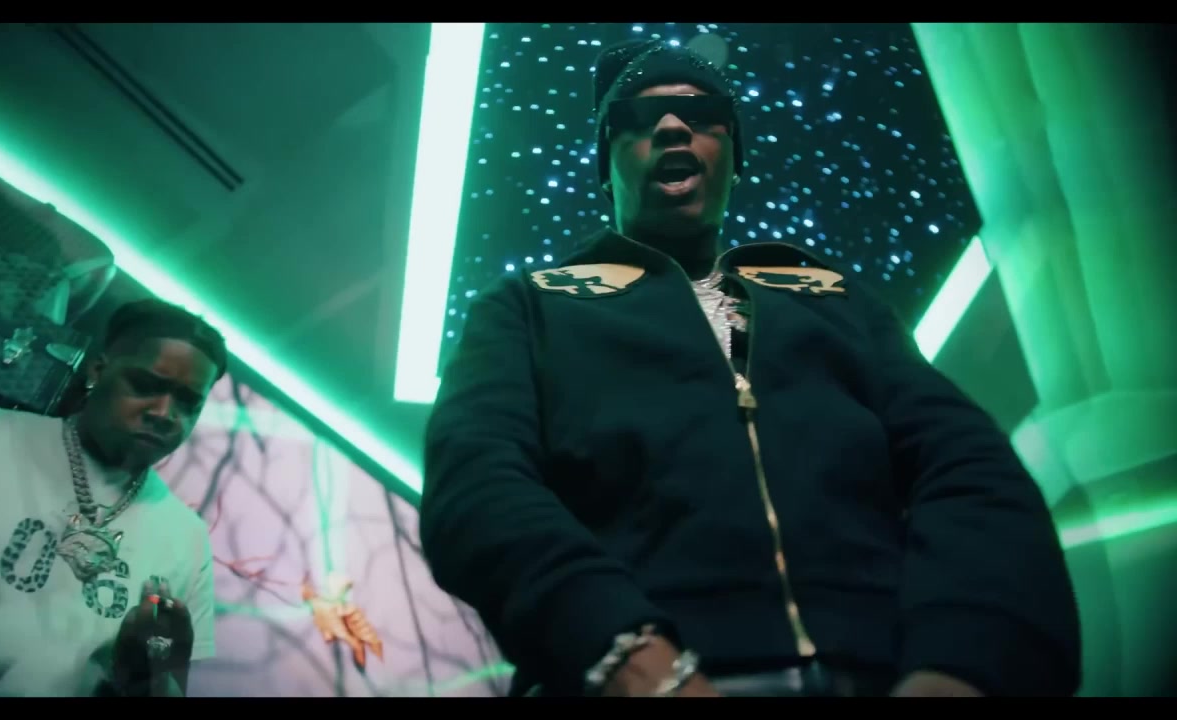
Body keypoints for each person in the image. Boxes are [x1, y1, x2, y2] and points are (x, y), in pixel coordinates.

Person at [418, 37, 1081, 698]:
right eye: (638, 118)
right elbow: (475, 487)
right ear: (605, 165)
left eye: (702, 114)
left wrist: (963, 662)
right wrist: (624, 654)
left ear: (734, 159)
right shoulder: (527, 309)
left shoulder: (836, 302)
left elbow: (970, 467)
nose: (672, 126)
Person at [0, 297, 226, 696]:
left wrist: (145, 676)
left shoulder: (187, 540)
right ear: (98, 370)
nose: (164, 413)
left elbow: (168, 687)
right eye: (146, 386)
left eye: (188, 402)